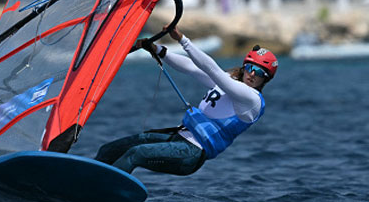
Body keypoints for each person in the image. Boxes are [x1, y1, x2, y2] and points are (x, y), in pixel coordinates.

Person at [94, 25, 278, 175]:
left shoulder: (252, 100)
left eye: (260, 72)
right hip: (179, 136)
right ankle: (82, 178)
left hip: (191, 153)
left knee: (136, 153)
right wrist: (159, 50)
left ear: (266, 79)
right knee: (109, 149)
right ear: (244, 66)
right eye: (250, 68)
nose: (253, 74)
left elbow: (211, 69)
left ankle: (101, 190)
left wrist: (183, 40)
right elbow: (193, 68)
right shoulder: (229, 82)